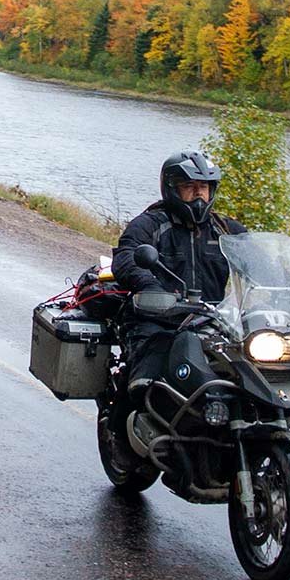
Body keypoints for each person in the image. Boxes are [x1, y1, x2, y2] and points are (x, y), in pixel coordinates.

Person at [110, 150, 247, 396]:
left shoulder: (226, 230)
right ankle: (121, 424)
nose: (198, 195)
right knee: (144, 383)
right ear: (172, 189)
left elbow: (259, 260)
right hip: (158, 318)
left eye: (203, 187)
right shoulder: (150, 224)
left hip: (215, 321)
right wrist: (148, 285)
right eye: (189, 186)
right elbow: (126, 256)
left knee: (251, 373)